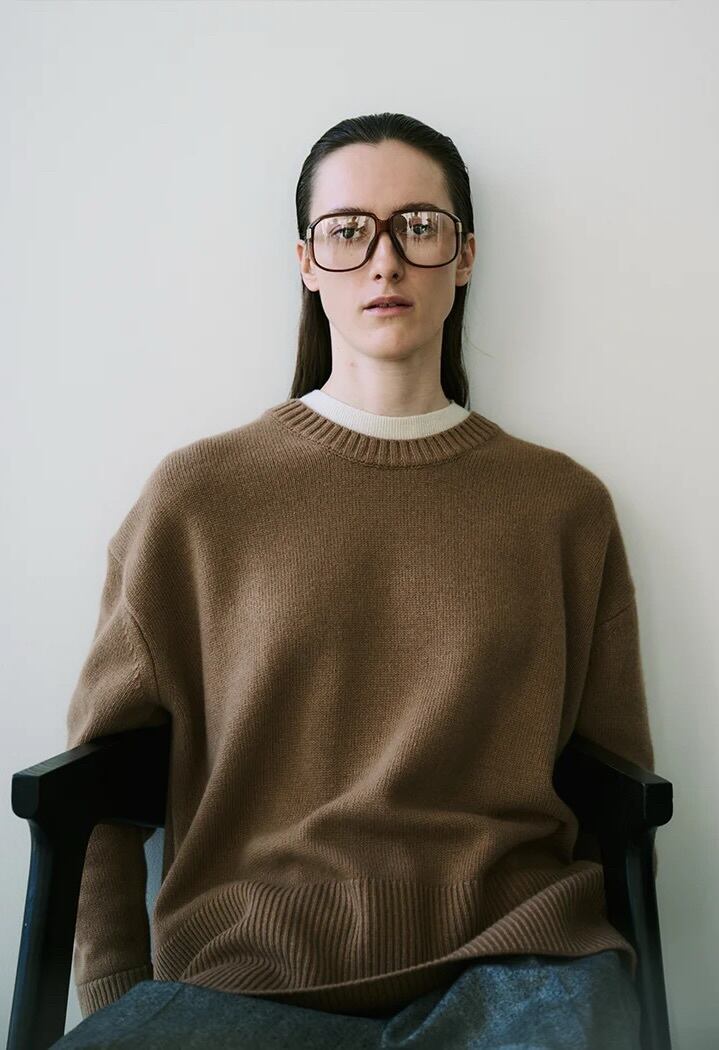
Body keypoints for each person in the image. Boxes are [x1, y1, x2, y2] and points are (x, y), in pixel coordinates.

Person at [54, 112, 651, 1049]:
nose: (385, 261)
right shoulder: (198, 498)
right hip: (243, 976)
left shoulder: (562, 507)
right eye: (348, 231)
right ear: (306, 262)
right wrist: (115, 990)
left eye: (419, 226)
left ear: (464, 256)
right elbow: (94, 781)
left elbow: (620, 787)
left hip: (519, 962)